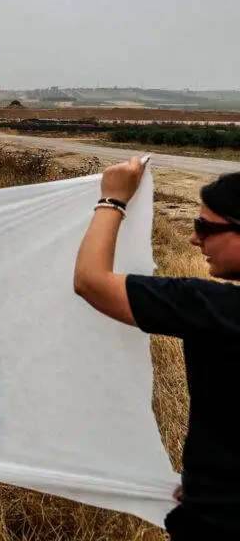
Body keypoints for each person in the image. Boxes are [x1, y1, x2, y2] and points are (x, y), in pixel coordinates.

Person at [74, 157, 240, 538]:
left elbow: (91, 282)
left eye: (204, 227)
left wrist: (113, 199)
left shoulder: (216, 311)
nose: (194, 238)